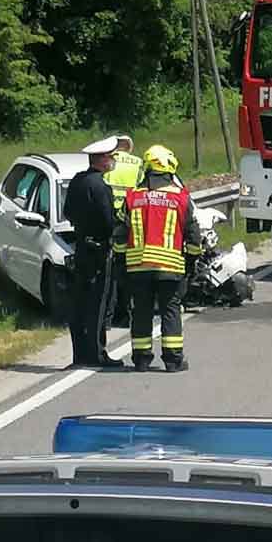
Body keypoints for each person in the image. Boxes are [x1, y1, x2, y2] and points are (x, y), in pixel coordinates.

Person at [114, 144, 202, 372]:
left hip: (137, 267)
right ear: (170, 170)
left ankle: (141, 360)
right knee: (170, 311)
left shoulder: (133, 197)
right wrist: (191, 262)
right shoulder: (181, 199)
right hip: (170, 268)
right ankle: (173, 361)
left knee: (141, 312)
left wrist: (120, 262)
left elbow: (120, 235)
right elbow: (194, 237)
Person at [61, 136, 123, 368]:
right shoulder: (100, 186)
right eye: (111, 157)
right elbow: (109, 221)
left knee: (79, 302)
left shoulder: (77, 181)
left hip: (81, 248)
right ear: (102, 160)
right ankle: (97, 354)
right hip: (99, 250)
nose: (113, 160)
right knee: (98, 303)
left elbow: (68, 212)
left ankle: (79, 355)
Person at [103, 134, 142, 327]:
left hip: (109, 219)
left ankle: (108, 318)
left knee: (110, 272)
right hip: (130, 221)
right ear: (130, 147)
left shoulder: (108, 161)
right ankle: (127, 315)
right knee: (129, 270)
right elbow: (143, 191)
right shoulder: (137, 163)